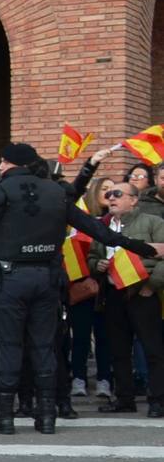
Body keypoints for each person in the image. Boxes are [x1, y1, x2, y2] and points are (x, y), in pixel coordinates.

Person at [0, 142, 154, 434]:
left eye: (4, 162)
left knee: (9, 345)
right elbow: (94, 228)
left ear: (9, 164)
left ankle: (4, 414)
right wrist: (133, 244)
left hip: (11, 277)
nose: (2, 166)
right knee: (45, 346)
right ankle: (46, 416)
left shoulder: (2, 190)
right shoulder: (55, 191)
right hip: (48, 277)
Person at [91, 178, 164, 415]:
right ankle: (124, 399)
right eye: (110, 194)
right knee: (118, 350)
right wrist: (97, 264)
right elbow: (92, 256)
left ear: (133, 200)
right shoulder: (102, 226)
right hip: (113, 294)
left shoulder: (153, 222)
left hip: (142, 292)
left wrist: (152, 285)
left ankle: (157, 401)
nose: (111, 198)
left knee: (152, 349)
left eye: (117, 194)